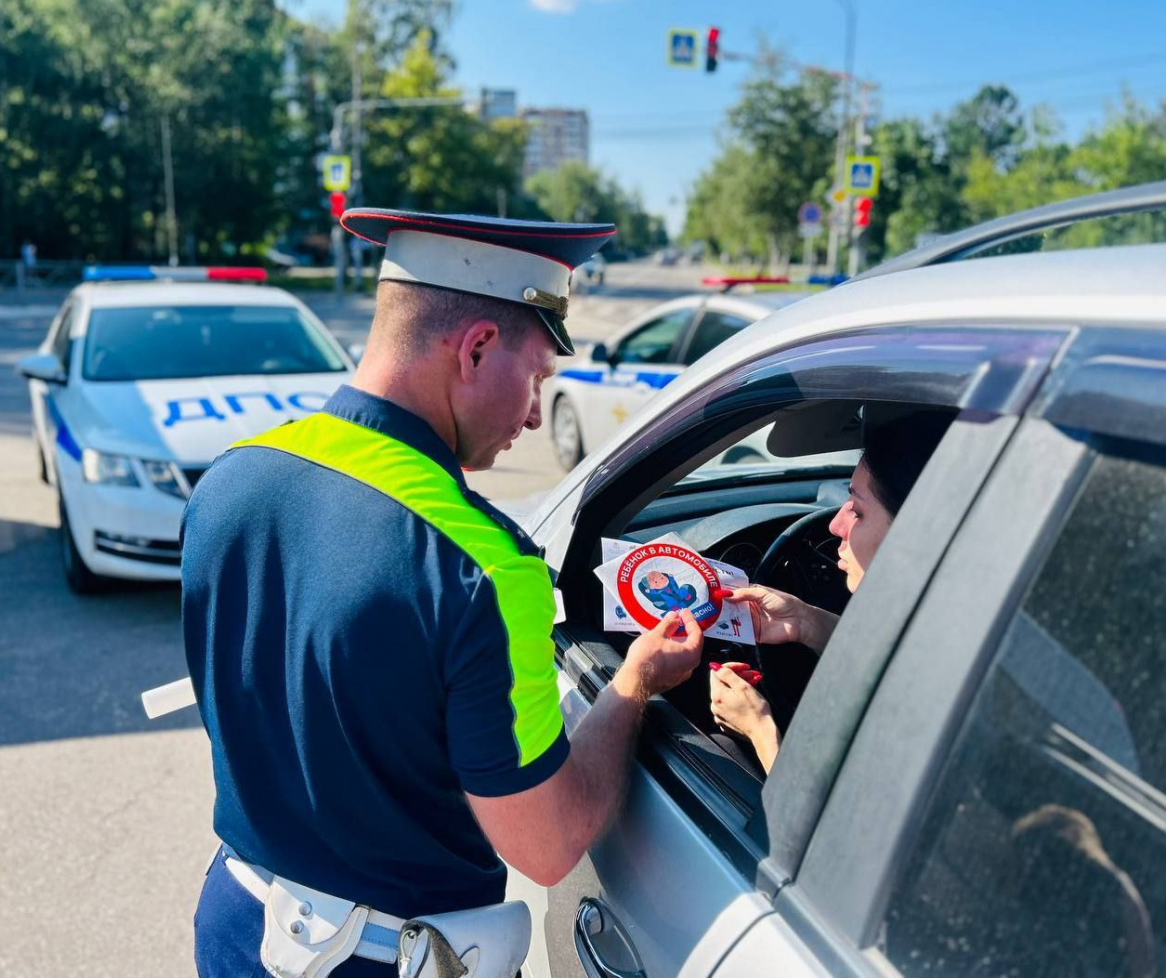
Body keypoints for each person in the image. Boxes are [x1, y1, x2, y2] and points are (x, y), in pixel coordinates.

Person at [182, 210, 705, 977]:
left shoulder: (234, 475)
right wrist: (632, 686)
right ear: (477, 348)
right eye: (536, 377)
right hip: (377, 961)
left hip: (235, 927)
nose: (535, 412)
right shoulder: (483, 566)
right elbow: (547, 844)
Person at [709, 410, 953, 773]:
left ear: (915, 533)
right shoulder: (954, 626)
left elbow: (844, 808)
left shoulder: (938, 679)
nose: (836, 524)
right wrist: (809, 622)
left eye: (858, 511)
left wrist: (759, 730)